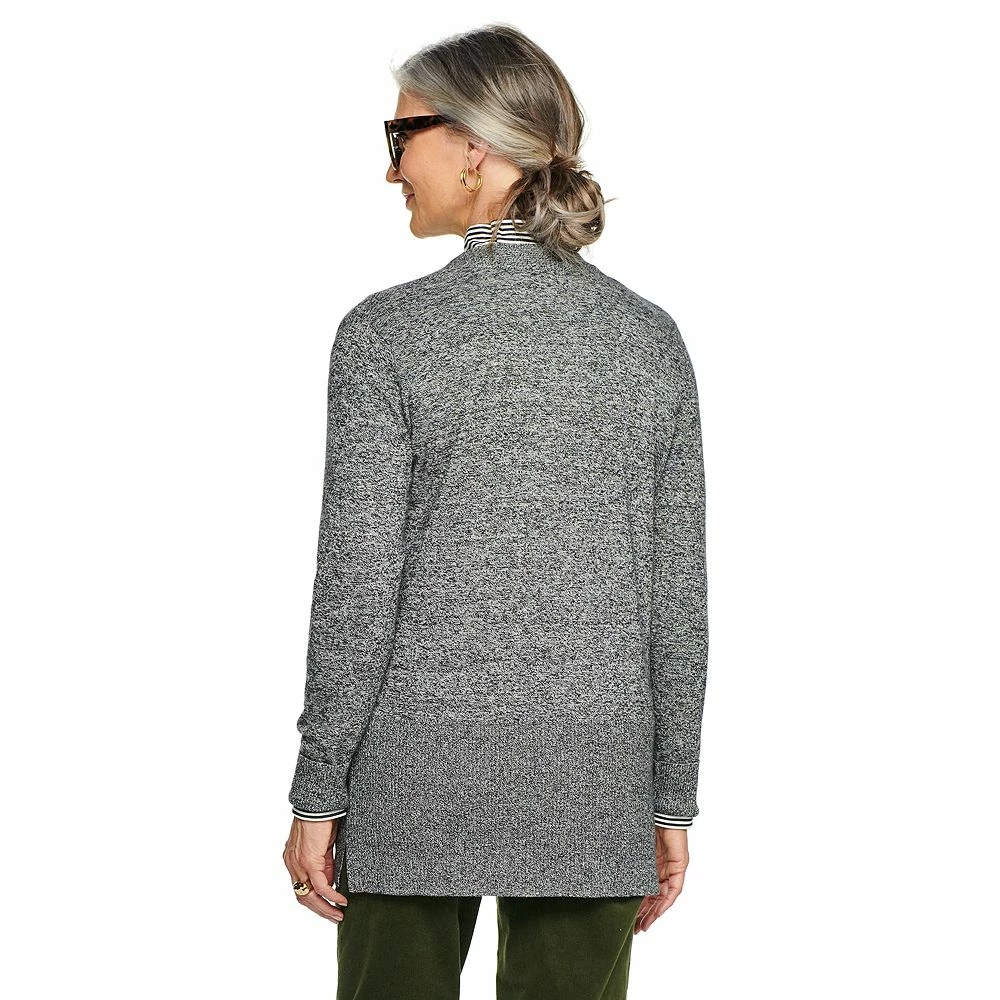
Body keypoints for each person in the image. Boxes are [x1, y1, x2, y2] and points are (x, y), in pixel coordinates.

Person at [281, 23, 710, 1000]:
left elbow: (355, 588)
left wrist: (319, 787)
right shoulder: (649, 341)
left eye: (400, 137)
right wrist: (668, 797)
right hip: (595, 779)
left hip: (411, 777)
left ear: (473, 145)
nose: (390, 168)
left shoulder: (387, 336)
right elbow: (675, 602)